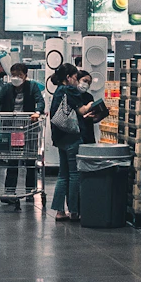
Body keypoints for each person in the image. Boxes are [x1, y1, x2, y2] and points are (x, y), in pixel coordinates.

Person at [48, 60, 98, 222]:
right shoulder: (70, 90)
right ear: (69, 77)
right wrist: (92, 104)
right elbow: (82, 110)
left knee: (63, 175)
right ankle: (75, 211)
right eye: (76, 77)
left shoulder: (58, 91)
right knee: (75, 174)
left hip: (59, 136)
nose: (77, 81)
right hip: (72, 137)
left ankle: (59, 211)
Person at [0, 59, 41, 207]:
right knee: (13, 159)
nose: (15, 78)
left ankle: (30, 191)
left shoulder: (32, 87)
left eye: (18, 75)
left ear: (25, 75)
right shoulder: (6, 88)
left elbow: (40, 101)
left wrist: (37, 112)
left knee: (30, 159)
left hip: (28, 128)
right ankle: (10, 191)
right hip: (12, 129)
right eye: (13, 75)